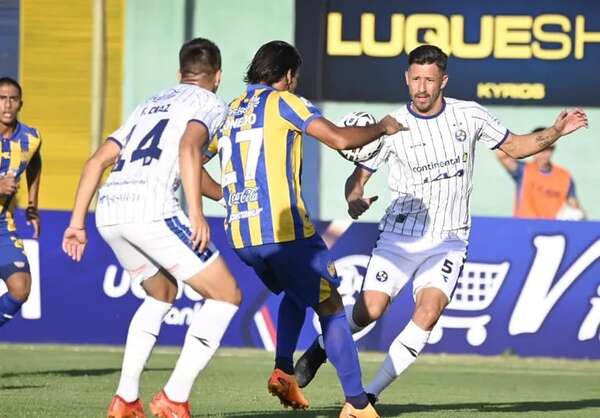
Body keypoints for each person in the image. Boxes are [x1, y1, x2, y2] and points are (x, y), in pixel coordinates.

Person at [294, 44, 588, 404]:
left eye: (429, 80)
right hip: (399, 237)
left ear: (443, 81)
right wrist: (354, 199)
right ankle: (321, 348)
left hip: (449, 239)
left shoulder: (470, 116)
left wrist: (556, 131)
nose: (421, 87)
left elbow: (515, 146)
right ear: (406, 78)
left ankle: (369, 396)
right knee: (369, 310)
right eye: (415, 79)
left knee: (429, 312)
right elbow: (357, 181)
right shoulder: (391, 125)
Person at [213, 40, 403, 418]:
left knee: (299, 292)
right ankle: (358, 404)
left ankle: (284, 369)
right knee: (331, 307)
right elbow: (339, 138)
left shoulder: (229, 112)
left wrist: (227, 197)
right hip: (284, 232)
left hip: (240, 235)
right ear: (287, 76)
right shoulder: (284, 101)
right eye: (294, 77)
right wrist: (382, 127)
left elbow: (191, 156)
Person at [62, 38, 242, 418]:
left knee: (161, 293)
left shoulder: (150, 103)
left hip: (110, 211)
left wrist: (76, 223)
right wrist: (196, 214)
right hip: (153, 211)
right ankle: (174, 397)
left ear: (180, 73)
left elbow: (96, 162)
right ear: (218, 76)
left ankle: (125, 399)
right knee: (226, 295)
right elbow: (189, 151)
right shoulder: (210, 103)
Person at [0, 77, 42, 329]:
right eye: (1, 98)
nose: (7, 105)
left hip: (2, 225)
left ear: (20, 103)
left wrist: (32, 205)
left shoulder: (31, 138)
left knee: (20, 287)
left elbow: (35, 163)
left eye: (12, 99)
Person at [496, 127, 585, 220]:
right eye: (539, 147)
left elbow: (575, 206)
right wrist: (526, 143)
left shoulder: (564, 175)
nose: (542, 152)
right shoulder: (523, 170)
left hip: (552, 231)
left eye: (547, 147)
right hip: (524, 227)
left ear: (553, 148)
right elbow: (501, 154)